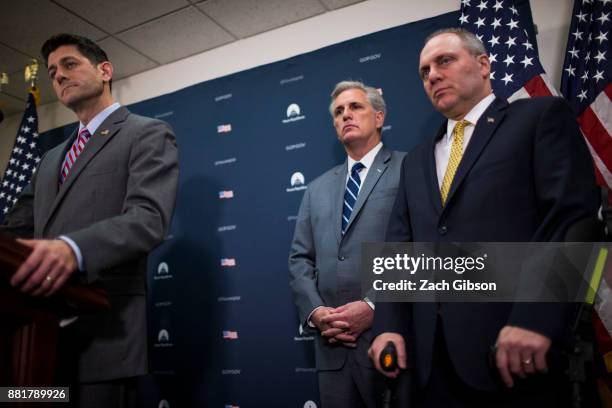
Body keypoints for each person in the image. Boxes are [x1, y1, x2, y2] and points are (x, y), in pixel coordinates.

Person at [368, 28, 598, 407]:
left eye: (445, 61)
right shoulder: (416, 161)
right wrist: (388, 327)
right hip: (429, 367)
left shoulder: (538, 118)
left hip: (515, 354)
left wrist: (537, 318)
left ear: (483, 64)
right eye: (425, 71)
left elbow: (575, 220)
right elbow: (399, 250)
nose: (433, 75)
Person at [1, 33, 179, 407]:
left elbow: (148, 220)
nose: (59, 77)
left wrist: (72, 249)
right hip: (33, 343)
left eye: (69, 64)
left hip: (102, 342)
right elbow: (15, 229)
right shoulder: (48, 161)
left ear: (105, 70)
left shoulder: (146, 133)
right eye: (52, 72)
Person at [289, 80, 405, 407]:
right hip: (331, 352)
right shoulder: (316, 189)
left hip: (389, 337)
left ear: (379, 117)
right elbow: (300, 260)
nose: (346, 116)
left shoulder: (409, 169)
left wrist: (373, 306)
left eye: (355, 107)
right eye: (339, 112)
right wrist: (316, 312)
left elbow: (420, 246)